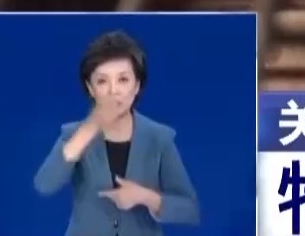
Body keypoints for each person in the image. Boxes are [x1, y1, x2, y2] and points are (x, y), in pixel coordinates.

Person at [32, 31, 200, 236]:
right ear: (90, 88)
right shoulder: (74, 134)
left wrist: (145, 197)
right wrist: (91, 127)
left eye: (123, 79)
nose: (114, 91)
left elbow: (189, 209)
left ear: (137, 85)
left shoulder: (159, 138)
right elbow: (45, 184)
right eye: (102, 81)